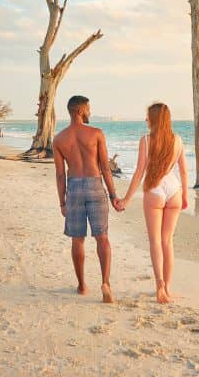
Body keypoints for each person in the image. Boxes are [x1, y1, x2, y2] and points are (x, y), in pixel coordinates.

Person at [117, 102, 187, 303]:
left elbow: (139, 172)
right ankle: (168, 287)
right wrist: (184, 197)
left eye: (148, 116)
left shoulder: (146, 141)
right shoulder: (178, 141)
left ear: (155, 119)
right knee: (168, 241)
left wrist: (127, 200)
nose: (146, 119)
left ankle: (160, 287)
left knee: (155, 241)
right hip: (174, 190)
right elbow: (183, 171)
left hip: (154, 191)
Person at [53, 95, 121, 303]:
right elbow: (105, 168)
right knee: (102, 237)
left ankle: (82, 286)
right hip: (94, 185)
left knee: (77, 239)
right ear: (80, 111)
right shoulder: (96, 133)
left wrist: (62, 202)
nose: (90, 112)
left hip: (73, 188)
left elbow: (59, 174)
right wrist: (113, 195)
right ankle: (106, 283)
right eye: (88, 109)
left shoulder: (59, 138)